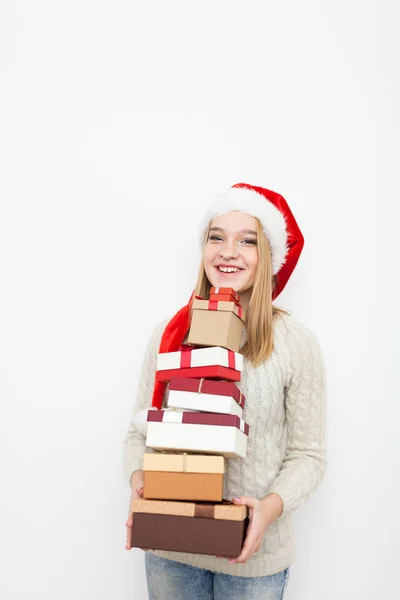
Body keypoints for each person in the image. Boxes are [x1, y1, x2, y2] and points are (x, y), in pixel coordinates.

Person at [124, 183, 326, 600]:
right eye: (217, 237)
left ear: (268, 256)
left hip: (253, 558)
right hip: (171, 544)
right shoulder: (171, 334)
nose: (228, 251)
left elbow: (309, 455)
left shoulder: (295, 343)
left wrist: (269, 508)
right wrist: (141, 481)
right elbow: (138, 432)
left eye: (247, 240)